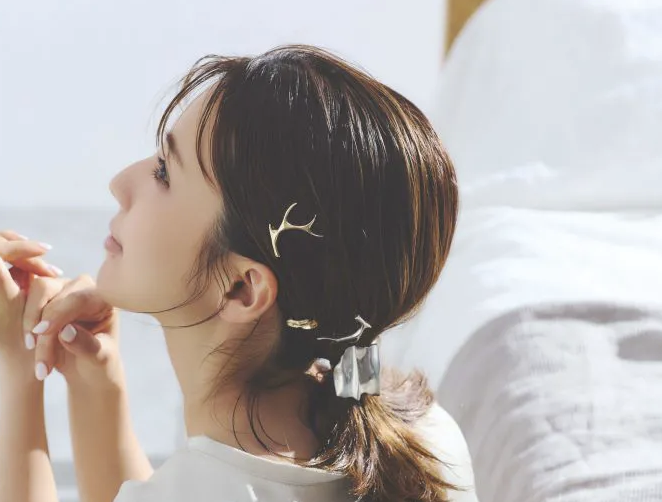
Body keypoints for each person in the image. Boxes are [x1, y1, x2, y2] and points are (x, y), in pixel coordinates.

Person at [0, 45, 477, 502]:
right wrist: (97, 386)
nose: (120, 182)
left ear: (242, 289)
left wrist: (16, 369)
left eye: (164, 173)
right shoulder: (424, 438)